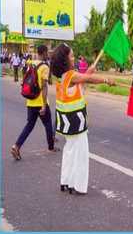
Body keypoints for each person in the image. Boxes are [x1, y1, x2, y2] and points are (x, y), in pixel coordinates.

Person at [50, 43, 115, 195]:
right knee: (80, 153)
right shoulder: (72, 76)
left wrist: (88, 72)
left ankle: (65, 181)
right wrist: (106, 80)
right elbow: (88, 79)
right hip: (76, 122)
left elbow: (83, 79)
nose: (74, 58)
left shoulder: (62, 76)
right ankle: (76, 185)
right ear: (65, 60)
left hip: (65, 122)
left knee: (69, 150)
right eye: (71, 56)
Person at [11, 45, 58, 160]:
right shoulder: (44, 67)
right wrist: (43, 105)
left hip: (30, 101)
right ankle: (51, 147)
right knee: (48, 125)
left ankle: (16, 146)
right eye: (47, 52)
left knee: (29, 126)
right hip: (40, 102)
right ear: (45, 52)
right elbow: (45, 87)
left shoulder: (30, 64)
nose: (48, 54)